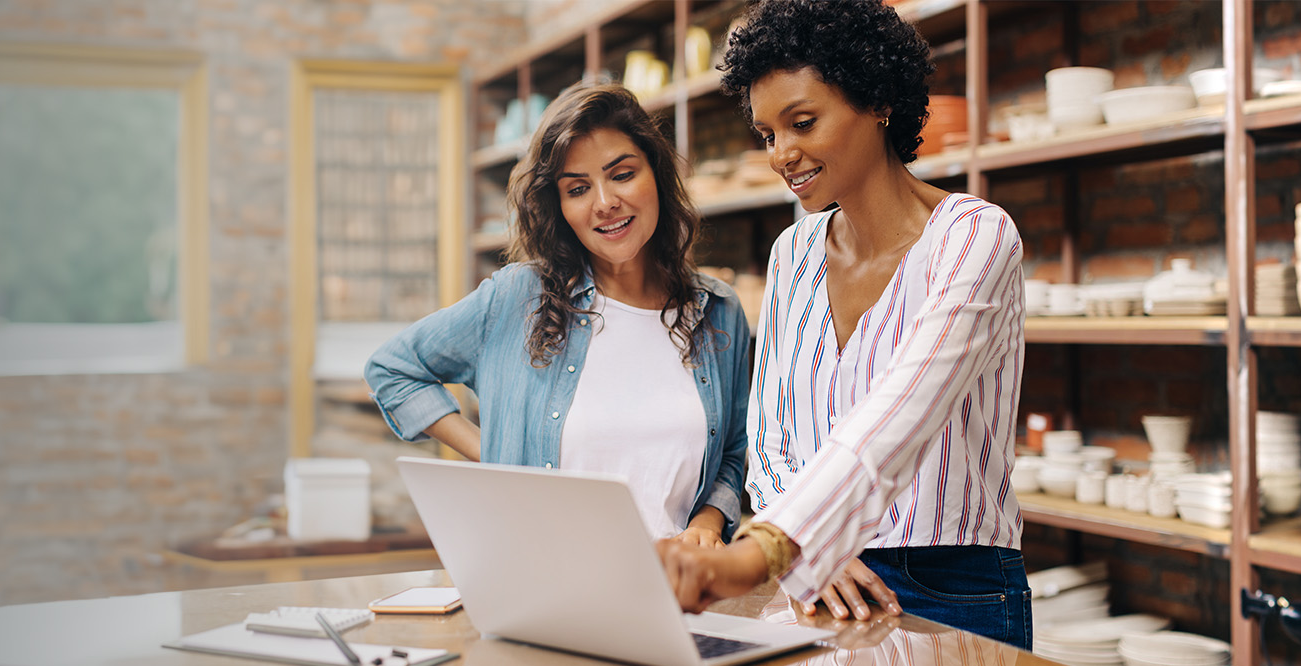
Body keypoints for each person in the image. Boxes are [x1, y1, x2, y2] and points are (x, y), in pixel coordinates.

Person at [653, 0, 1031, 649]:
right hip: (812, 584)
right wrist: (809, 554)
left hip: (952, 585)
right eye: (768, 134)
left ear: (878, 99)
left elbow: (903, 410)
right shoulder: (792, 254)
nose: (781, 154)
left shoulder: (974, 238)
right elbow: (770, 436)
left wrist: (768, 548)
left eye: (802, 122)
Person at [366, 83, 752, 546]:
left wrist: (709, 523)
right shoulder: (519, 298)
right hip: (545, 585)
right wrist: (494, 458)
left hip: (681, 594)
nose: (605, 202)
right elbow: (393, 369)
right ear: (560, 207)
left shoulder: (718, 311)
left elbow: (733, 449)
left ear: (657, 175)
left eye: (623, 174)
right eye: (578, 188)